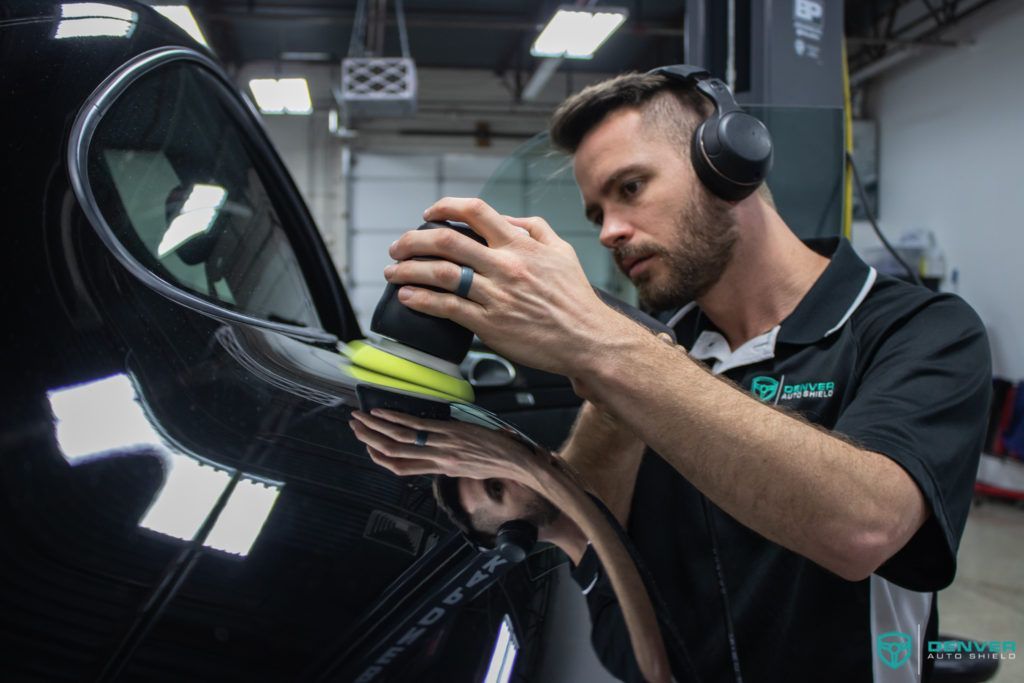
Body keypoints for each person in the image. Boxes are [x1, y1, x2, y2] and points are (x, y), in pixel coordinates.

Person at [351, 69, 992, 682]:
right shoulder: (657, 346)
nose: (610, 232)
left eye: (630, 188)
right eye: (597, 212)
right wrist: (499, 482)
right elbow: (590, 522)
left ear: (729, 164)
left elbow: (865, 528)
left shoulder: (916, 328)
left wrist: (603, 346)